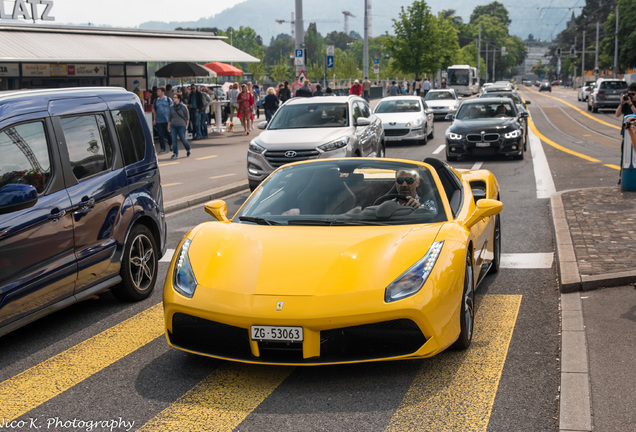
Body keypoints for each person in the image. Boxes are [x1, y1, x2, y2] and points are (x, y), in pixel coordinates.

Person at [615, 82, 636, 184]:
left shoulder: (631, 103)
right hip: (626, 132)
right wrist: (621, 103)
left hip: (634, 131)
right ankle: (622, 176)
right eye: (629, 94)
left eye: (633, 94)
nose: (630, 96)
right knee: (624, 154)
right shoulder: (626, 102)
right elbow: (617, 114)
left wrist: (631, 104)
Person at [168, 94, 191, 159]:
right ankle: (175, 153)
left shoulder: (183, 107)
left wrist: (187, 125)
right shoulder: (171, 107)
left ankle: (188, 149)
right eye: (173, 97)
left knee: (183, 138)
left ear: (179, 99)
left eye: (175, 97)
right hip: (173, 125)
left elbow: (187, 117)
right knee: (174, 140)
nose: (173, 99)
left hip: (181, 125)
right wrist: (168, 125)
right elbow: (169, 117)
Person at [152, 86, 172, 154]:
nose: (157, 92)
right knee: (161, 135)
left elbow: (172, 109)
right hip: (159, 121)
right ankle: (162, 148)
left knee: (169, 134)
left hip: (167, 120)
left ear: (163, 92)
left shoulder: (168, 99)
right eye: (157, 91)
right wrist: (154, 119)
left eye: (159, 91)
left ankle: (171, 145)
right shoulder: (155, 101)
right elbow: (154, 110)